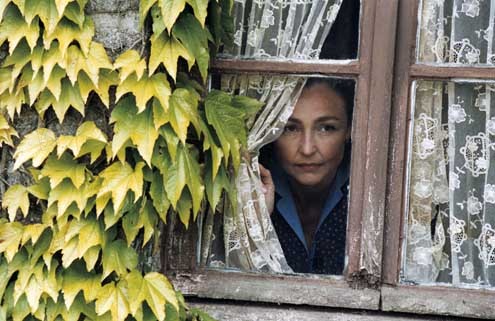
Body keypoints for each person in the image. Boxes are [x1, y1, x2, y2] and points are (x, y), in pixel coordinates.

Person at [259, 78, 353, 274]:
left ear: (349, 130)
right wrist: (258, 219)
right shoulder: (257, 187)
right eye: (290, 128)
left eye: (326, 128)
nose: (307, 149)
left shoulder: (369, 193)